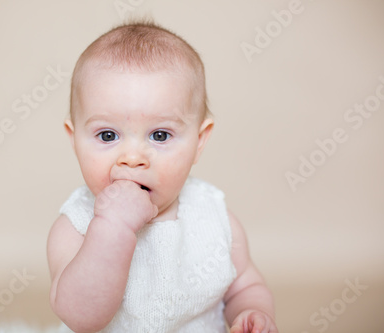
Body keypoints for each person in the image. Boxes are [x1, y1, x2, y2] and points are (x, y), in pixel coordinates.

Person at [47, 20, 278, 333]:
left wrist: (252, 313)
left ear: (199, 142)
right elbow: (82, 317)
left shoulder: (213, 216)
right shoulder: (74, 226)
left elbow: (244, 287)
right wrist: (113, 227)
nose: (132, 158)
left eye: (159, 135)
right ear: (74, 141)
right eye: (107, 135)